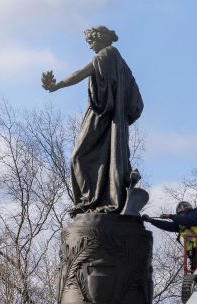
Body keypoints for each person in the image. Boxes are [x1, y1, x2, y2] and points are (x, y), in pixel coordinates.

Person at [42, 26, 143, 214]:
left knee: (78, 156)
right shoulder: (118, 60)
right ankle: (95, 199)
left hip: (103, 116)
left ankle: (89, 199)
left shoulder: (108, 54)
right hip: (107, 116)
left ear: (102, 39)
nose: (90, 47)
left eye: (91, 42)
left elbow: (81, 73)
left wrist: (57, 86)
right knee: (100, 158)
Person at [143, 201, 197, 271]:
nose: (180, 216)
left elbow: (187, 220)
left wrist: (170, 216)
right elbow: (167, 225)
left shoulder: (195, 216)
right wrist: (151, 220)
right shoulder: (182, 224)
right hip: (195, 253)